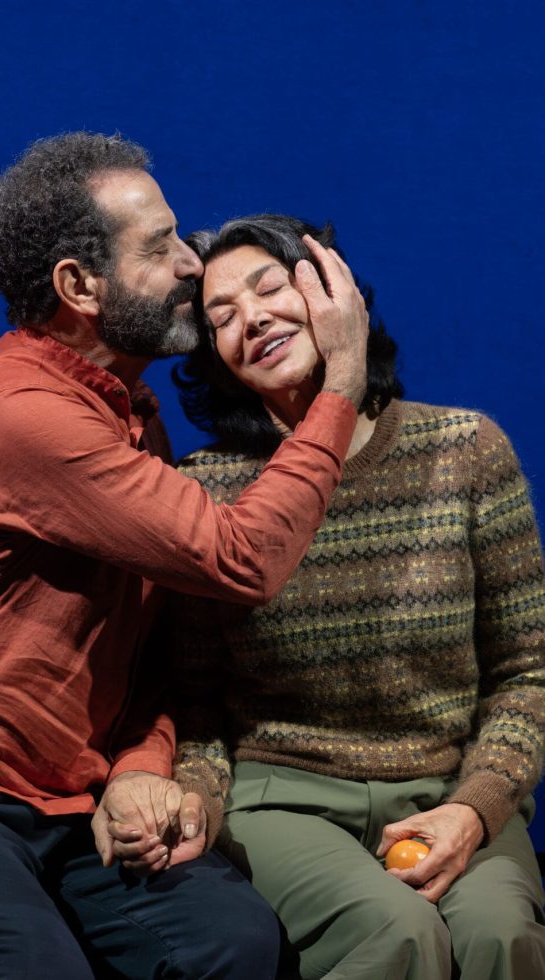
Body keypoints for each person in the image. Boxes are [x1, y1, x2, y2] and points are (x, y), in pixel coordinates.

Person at [0, 138, 370, 979]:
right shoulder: (19, 417)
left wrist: (139, 768)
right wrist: (341, 382)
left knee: (233, 946)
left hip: (79, 805)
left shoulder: (132, 418)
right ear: (78, 288)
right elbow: (242, 558)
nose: (193, 264)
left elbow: (145, 657)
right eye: (160, 246)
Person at [118, 213, 545, 979]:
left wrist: (476, 806)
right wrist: (199, 803)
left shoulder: (465, 451)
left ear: (336, 292)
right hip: (283, 798)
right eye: (221, 317)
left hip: (448, 781)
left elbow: (529, 673)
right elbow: (197, 700)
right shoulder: (204, 490)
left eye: (270, 288)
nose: (252, 319)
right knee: (394, 934)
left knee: (497, 934)